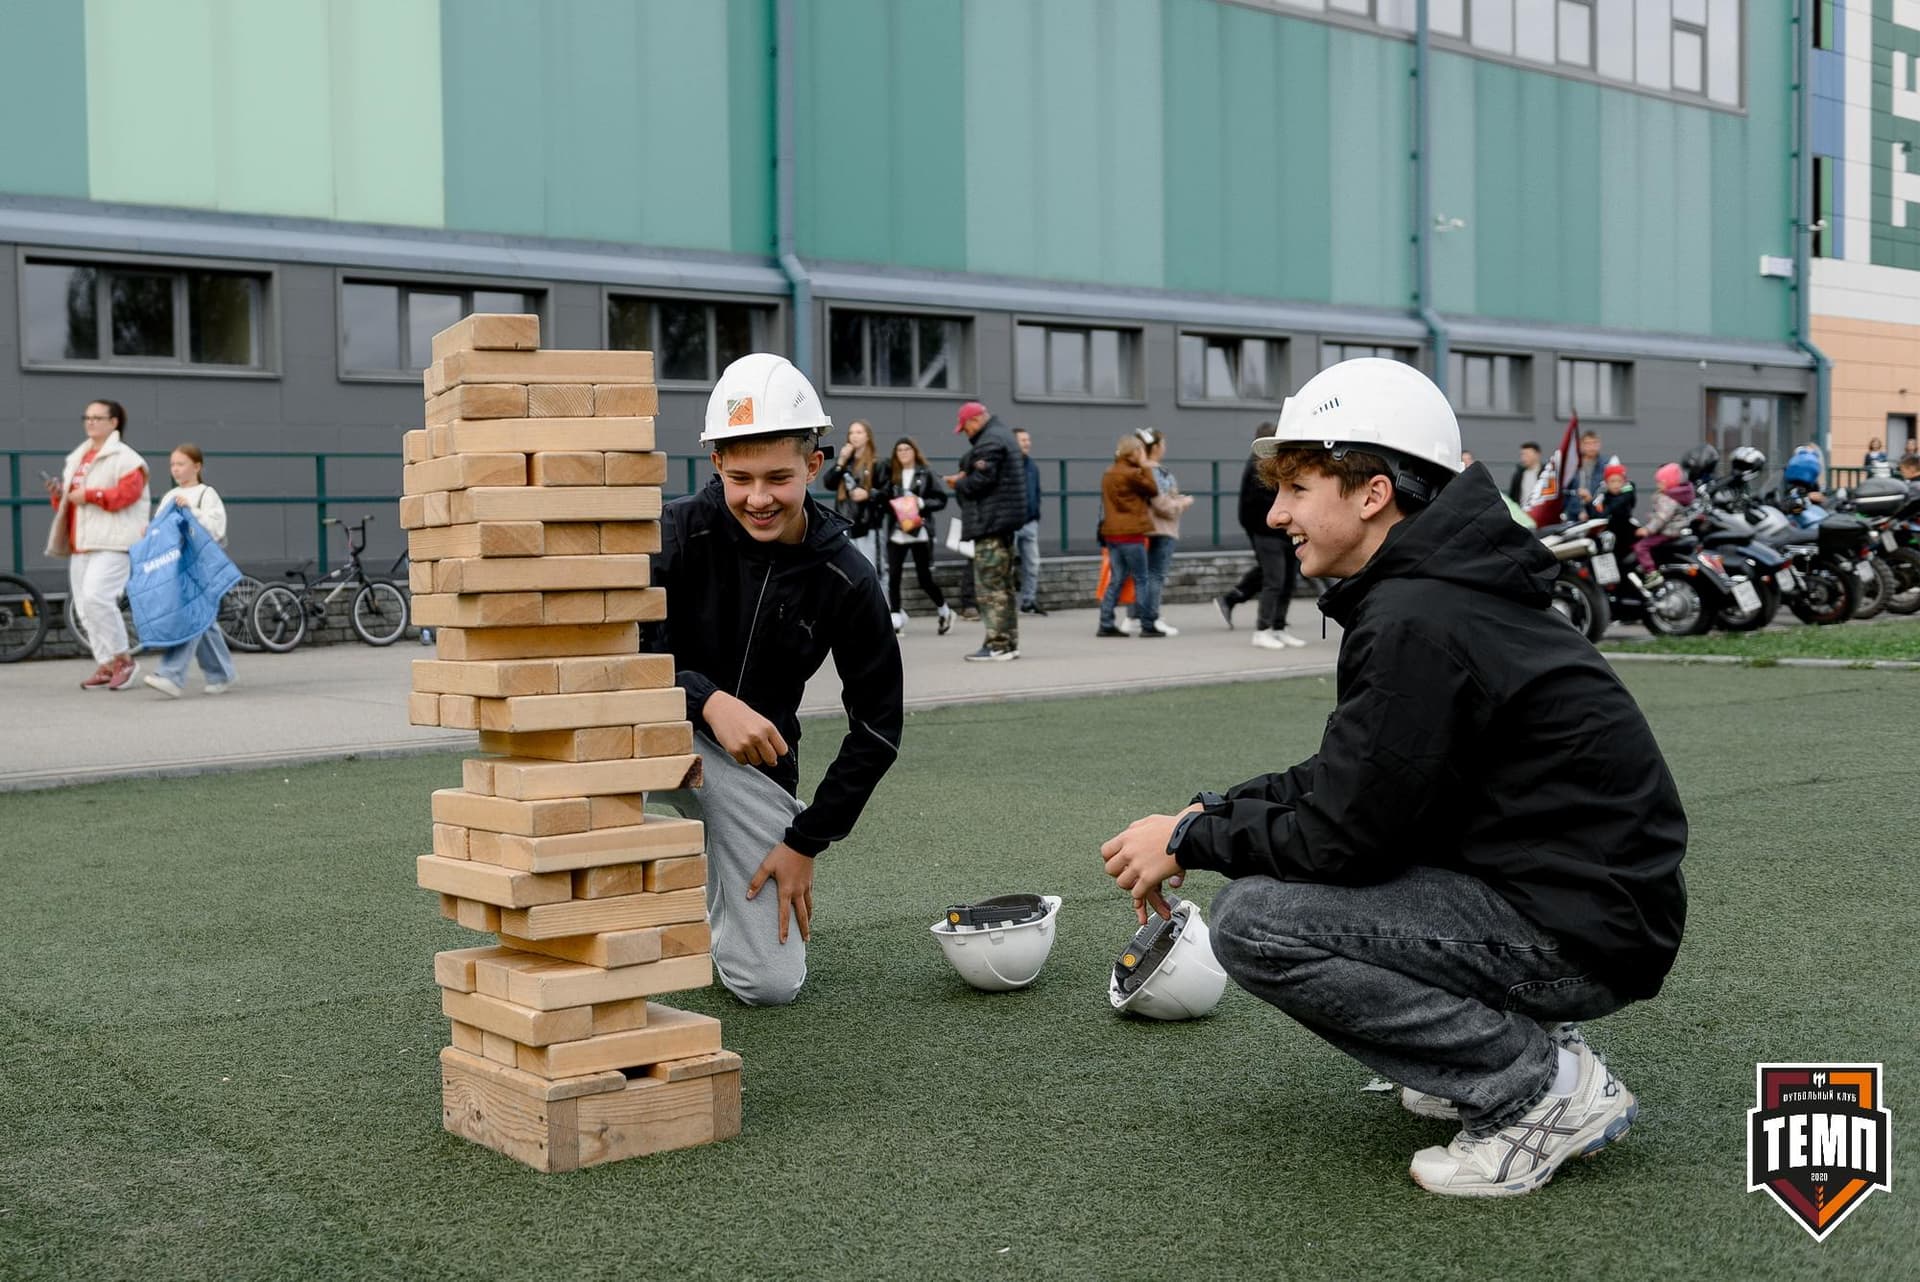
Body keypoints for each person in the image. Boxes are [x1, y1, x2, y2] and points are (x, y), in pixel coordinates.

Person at [1099, 357, 1686, 1199]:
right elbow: (1362, 777)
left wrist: (1195, 837)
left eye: (1298, 488)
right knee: (1304, 883)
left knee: (1259, 922)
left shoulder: (1420, 614)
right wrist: (1212, 811)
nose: (1277, 512)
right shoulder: (1433, 594)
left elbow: (1343, 833)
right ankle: (1518, 1050)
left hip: (1580, 931)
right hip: (1580, 903)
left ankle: (1538, 1088)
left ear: (1372, 492)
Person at [644, 353, 903, 1006]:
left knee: (768, 985)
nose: (758, 497)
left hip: (754, 770)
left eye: (778, 477)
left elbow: (878, 728)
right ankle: (666, 877)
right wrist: (707, 702)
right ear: (716, 467)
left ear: (814, 467)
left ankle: (723, 878)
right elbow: (617, 655)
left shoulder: (846, 576)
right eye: (741, 478)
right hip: (647, 736)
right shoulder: (672, 533)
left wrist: (804, 840)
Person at [49, 399, 150, 691]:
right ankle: (106, 663)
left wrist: (91, 495)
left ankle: (123, 659)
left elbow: (127, 495)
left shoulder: (127, 458)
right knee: (83, 606)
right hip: (82, 542)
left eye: (97, 417)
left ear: (113, 422)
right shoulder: (77, 458)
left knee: (97, 598)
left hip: (114, 541)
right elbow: (71, 501)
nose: (90, 422)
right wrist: (60, 495)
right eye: (87, 417)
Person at [143, 444, 238, 698]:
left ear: (197, 466)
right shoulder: (169, 496)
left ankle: (171, 674)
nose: (176, 469)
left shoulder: (206, 494)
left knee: (191, 616)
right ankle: (221, 674)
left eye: (181, 464)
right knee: (203, 621)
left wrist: (191, 510)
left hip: (202, 565)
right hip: (178, 564)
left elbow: (217, 529)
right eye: (173, 464)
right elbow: (161, 529)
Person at [945, 401, 1027, 661]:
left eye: (966, 427)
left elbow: (982, 480)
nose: (966, 433)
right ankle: (1008, 642)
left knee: (990, 587)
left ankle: (997, 644)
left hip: (990, 523)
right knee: (1003, 586)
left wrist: (959, 483)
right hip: (1002, 523)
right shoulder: (1003, 435)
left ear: (976, 420)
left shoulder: (990, 441)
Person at [1214, 436, 1307, 649]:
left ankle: (1278, 627)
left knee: (1288, 582)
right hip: (1267, 534)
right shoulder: (1259, 468)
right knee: (1274, 580)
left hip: (1286, 535)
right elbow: (1255, 505)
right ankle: (1262, 630)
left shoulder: (1281, 466)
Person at [874, 436, 953, 636]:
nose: (903, 453)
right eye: (899, 450)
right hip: (897, 532)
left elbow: (941, 499)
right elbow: (883, 499)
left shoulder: (925, 473)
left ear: (914, 451)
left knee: (924, 578)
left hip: (919, 532)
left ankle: (944, 609)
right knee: (894, 576)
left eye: (907, 449)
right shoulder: (892, 476)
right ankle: (896, 618)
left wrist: (921, 503)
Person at [1096, 434, 1159, 638]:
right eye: (1139, 450)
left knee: (1117, 578)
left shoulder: (1108, 473)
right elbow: (1153, 489)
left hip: (1112, 534)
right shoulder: (1133, 474)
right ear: (1133, 452)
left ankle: (1105, 622)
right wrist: (1146, 466)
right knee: (1142, 578)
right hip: (1132, 534)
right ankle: (1147, 624)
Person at [1138, 428, 1194, 637]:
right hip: (1162, 528)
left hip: (1146, 528)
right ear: (1156, 447)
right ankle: (1151, 617)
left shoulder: (1140, 469)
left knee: (1142, 575)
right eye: (1163, 443)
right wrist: (1182, 503)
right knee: (1155, 575)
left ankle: (1137, 615)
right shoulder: (1156, 471)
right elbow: (1162, 503)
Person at [821, 419, 881, 568]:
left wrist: (868, 494)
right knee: (847, 568)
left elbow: (886, 493)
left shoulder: (877, 463)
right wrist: (841, 461)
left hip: (867, 526)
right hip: (845, 523)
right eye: (851, 433)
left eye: (859, 432)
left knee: (870, 568)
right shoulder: (846, 463)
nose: (854, 436)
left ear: (868, 436)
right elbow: (829, 483)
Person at [1634, 463, 1694, 586]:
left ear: (1669, 482)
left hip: (1667, 531)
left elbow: (1661, 518)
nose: (1657, 485)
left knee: (1640, 547)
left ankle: (1651, 573)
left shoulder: (1667, 498)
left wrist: (1647, 529)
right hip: (1673, 530)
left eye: (1660, 482)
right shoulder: (1676, 496)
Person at [1014, 427, 1047, 615]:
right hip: (1012, 523)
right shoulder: (1008, 465)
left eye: (1028, 439)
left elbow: (1036, 492)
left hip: (1030, 523)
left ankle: (1029, 601)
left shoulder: (1032, 466)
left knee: (1032, 564)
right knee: (1005, 565)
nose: (1027, 443)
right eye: (1023, 440)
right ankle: (1005, 603)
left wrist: (1036, 514)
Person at [1587, 461, 1638, 551]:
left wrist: (1603, 510)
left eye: (1619, 481)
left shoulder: (1627, 492)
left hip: (1625, 529)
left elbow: (1608, 510)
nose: (1616, 485)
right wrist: (1588, 503)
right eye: (1612, 481)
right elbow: (1595, 514)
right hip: (1610, 528)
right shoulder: (1602, 494)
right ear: (1606, 482)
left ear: (1624, 482)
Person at [1562, 430, 1606, 519]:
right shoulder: (1572, 465)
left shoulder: (1606, 465)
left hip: (1597, 514)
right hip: (1573, 516)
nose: (1591, 447)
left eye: (1595, 443)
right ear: (1581, 445)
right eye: (1588, 443)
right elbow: (1565, 491)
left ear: (1599, 445)